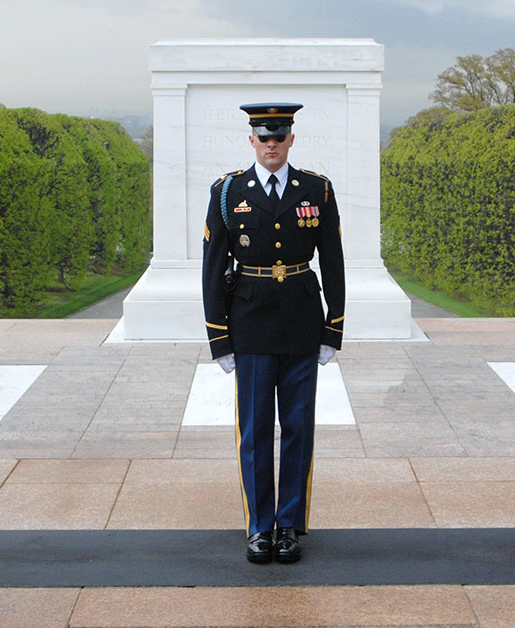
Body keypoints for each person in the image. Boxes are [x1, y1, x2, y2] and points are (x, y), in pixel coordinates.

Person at [201, 102, 345, 564]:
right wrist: (219, 337)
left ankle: (289, 526)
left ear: (291, 139)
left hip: (303, 322)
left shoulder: (317, 190)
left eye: (279, 136)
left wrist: (333, 327)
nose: (271, 145)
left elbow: (334, 263)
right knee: (256, 430)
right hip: (251, 326)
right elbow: (212, 269)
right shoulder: (228, 192)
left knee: (298, 428)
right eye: (264, 137)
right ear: (251, 140)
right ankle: (259, 527)